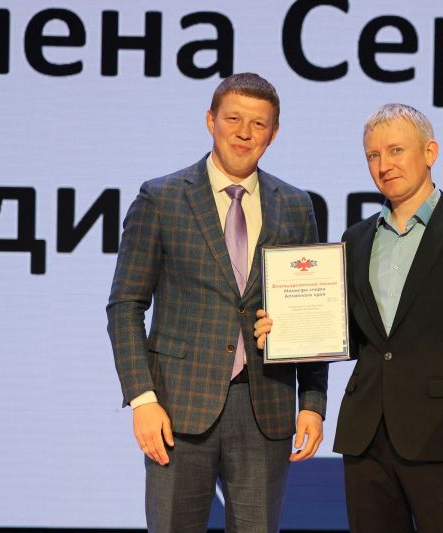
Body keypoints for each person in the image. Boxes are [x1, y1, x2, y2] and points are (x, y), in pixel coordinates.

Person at [256, 103, 443, 532]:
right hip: (366, 441)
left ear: (430, 152)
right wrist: (284, 328)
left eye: (396, 150)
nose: (384, 165)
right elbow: (348, 334)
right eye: (373, 155)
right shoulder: (356, 239)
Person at [106, 72, 328, 533]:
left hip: (265, 406)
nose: (244, 133)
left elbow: (312, 307)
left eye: (258, 123)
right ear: (211, 120)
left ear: (273, 133)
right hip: (177, 407)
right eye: (233, 119)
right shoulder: (161, 198)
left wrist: (312, 400)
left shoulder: (295, 204)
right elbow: (125, 305)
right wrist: (142, 398)